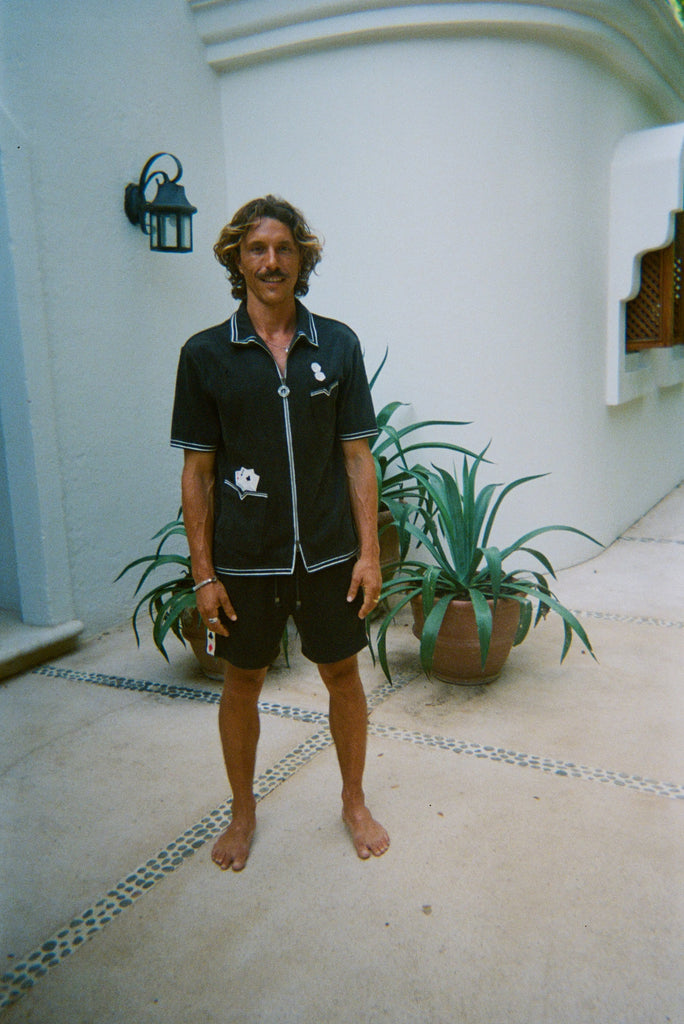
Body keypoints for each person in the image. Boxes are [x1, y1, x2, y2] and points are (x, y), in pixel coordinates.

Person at [171, 195, 390, 871]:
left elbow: (357, 456)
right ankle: (243, 812)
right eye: (258, 249)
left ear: (303, 259)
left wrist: (370, 555)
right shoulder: (206, 355)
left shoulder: (339, 344)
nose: (272, 261)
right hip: (247, 557)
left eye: (285, 248)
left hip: (327, 553)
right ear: (237, 260)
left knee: (343, 677)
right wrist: (204, 573)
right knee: (242, 682)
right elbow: (198, 474)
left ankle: (354, 802)